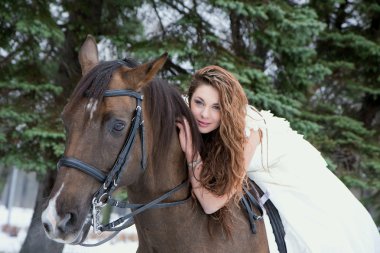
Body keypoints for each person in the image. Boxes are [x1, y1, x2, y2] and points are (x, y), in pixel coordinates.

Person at [176, 65, 380, 252]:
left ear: (228, 109)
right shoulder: (185, 115)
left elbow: (211, 204)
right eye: (199, 102)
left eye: (216, 107)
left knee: (310, 235)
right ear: (190, 99)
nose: (204, 114)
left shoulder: (248, 132)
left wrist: (193, 155)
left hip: (285, 172)